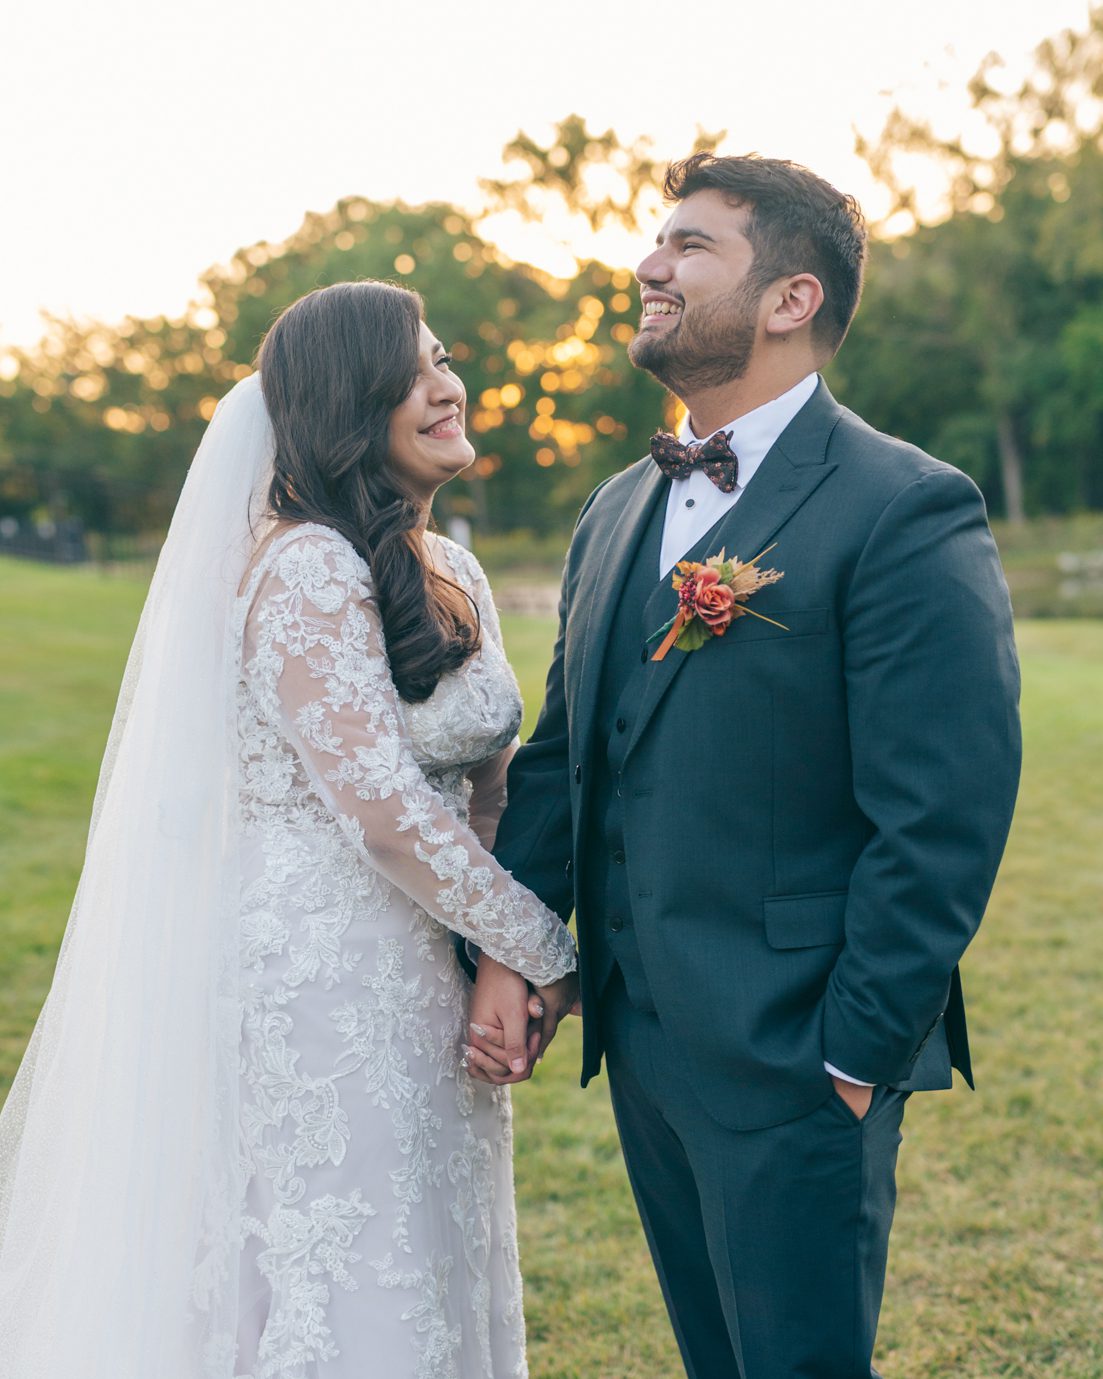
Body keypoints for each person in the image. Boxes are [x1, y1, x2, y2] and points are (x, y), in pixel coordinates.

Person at [466, 154, 1022, 1379]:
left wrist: (849, 1056)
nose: (645, 267)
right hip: (646, 1049)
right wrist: (510, 946)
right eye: (653, 243)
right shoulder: (612, 509)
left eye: (687, 246)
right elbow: (562, 761)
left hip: (797, 1054)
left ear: (789, 299)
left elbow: (938, 814)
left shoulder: (901, 505)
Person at [0, 280, 576, 1378]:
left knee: (432, 1235)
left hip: (434, 954)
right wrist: (546, 948)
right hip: (330, 967)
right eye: (412, 372)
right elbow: (384, 812)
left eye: (443, 356)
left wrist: (498, 959)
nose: (446, 384)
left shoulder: (448, 565)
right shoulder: (305, 566)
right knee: (345, 1255)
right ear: (347, 402)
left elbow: (487, 780)